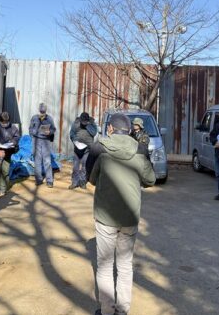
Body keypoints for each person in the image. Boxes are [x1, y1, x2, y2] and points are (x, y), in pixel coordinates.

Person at [86, 113, 156, 315]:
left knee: (105, 266)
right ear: (129, 130)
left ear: (110, 129)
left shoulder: (100, 149)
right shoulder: (140, 150)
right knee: (125, 265)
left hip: (106, 217)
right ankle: (123, 310)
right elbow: (150, 180)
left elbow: (91, 178)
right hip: (129, 217)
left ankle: (107, 311)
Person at [0, 112, 20, 194]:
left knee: (5, 171)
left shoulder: (13, 127)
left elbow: (17, 137)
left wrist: (12, 142)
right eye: (3, 122)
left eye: (6, 122)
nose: (5, 124)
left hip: (8, 152)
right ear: (0, 121)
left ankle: (3, 188)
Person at [29, 103, 56, 188]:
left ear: (46, 110)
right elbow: (30, 128)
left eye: (43, 111)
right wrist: (33, 133)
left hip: (46, 141)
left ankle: (49, 181)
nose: (42, 113)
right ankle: (38, 179)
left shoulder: (49, 118)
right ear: (39, 110)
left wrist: (50, 132)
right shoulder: (34, 118)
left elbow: (53, 129)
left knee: (47, 161)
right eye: (41, 111)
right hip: (36, 140)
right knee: (37, 161)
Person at [69, 112, 97, 189]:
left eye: (85, 122)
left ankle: (82, 182)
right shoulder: (76, 123)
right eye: (82, 122)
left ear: (88, 120)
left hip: (87, 149)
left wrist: (87, 125)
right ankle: (74, 182)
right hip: (77, 148)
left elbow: (94, 133)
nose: (83, 123)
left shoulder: (92, 123)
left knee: (84, 167)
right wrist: (75, 140)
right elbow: (72, 134)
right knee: (75, 167)